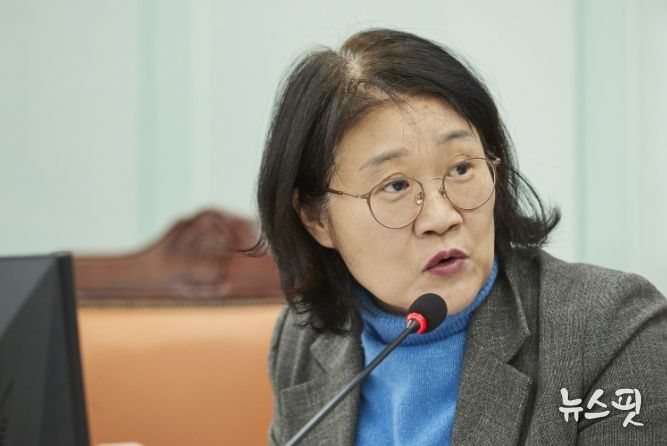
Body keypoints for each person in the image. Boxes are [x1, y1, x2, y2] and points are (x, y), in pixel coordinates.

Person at [254, 28, 667, 445]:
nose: (442, 217)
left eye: (461, 169)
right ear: (316, 218)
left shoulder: (609, 330)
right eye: (395, 186)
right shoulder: (304, 341)